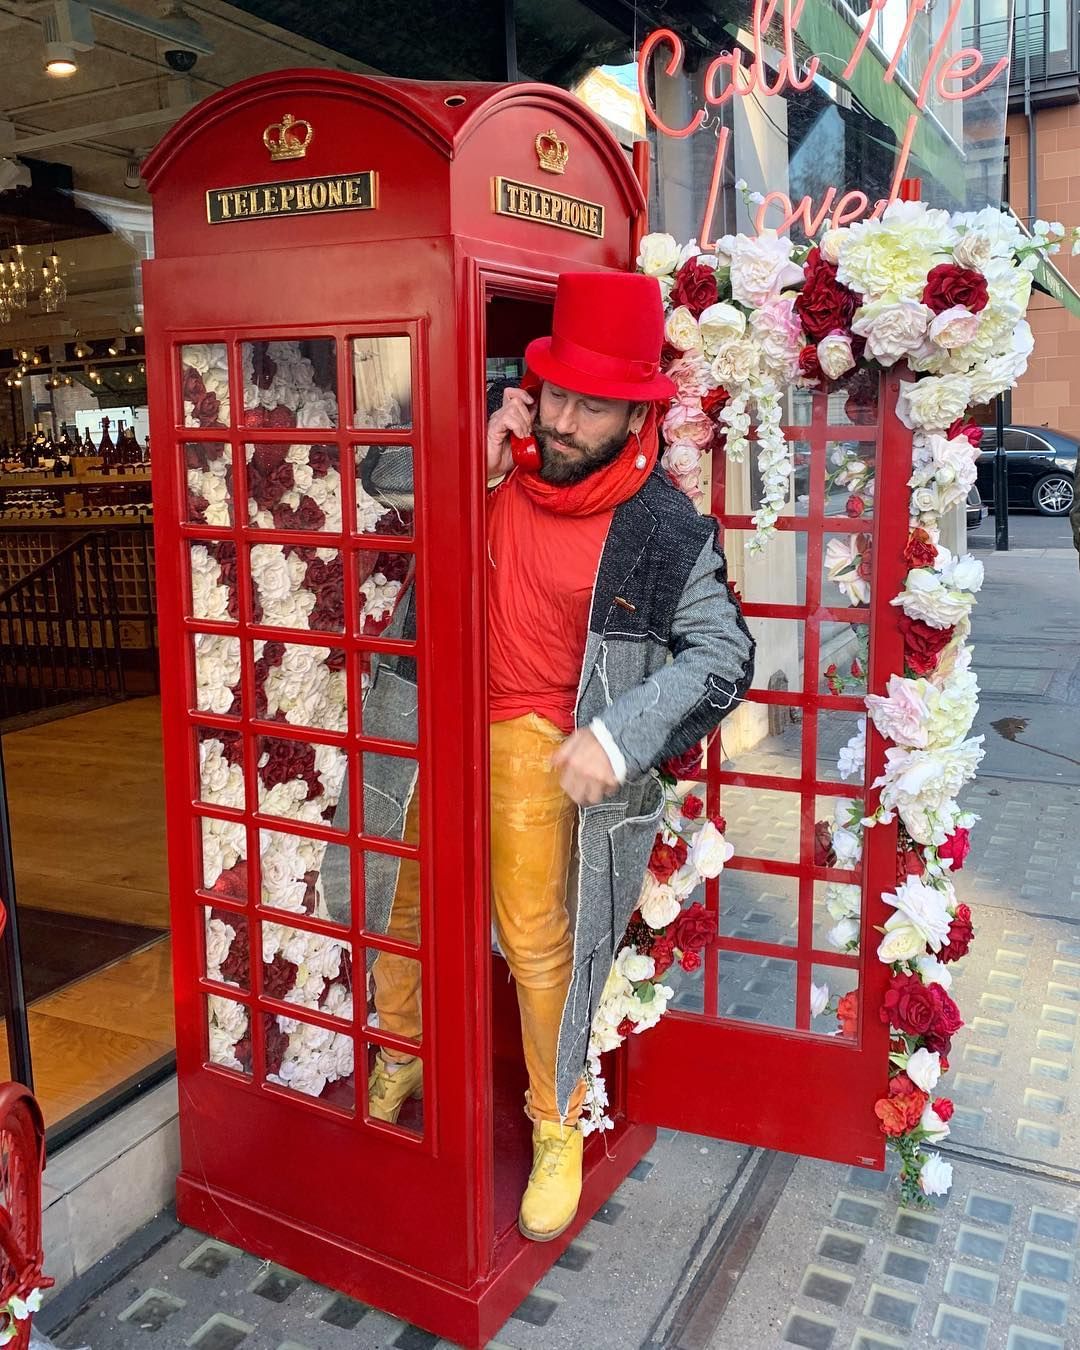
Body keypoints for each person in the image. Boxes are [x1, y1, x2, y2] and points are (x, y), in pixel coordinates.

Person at [333, 271, 754, 1243]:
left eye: (589, 406)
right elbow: (374, 476)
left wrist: (618, 736)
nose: (561, 422)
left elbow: (723, 654)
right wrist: (473, 456)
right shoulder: (498, 445)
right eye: (553, 395)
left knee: (532, 936)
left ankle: (555, 1120)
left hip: (540, 735)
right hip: (424, 708)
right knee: (390, 890)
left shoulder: (663, 530)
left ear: (636, 414)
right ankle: (402, 1046)